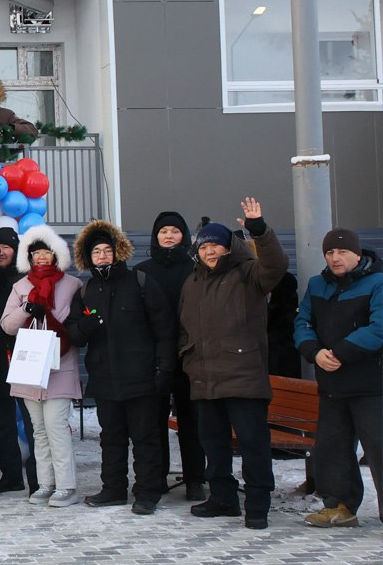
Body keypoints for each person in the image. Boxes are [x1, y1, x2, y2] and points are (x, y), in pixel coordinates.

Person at [178, 198, 288, 531]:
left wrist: (259, 230)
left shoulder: (248, 272)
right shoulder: (192, 283)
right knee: (213, 443)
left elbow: (276, 265)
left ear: (229, 247)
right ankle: (223, 498)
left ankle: (257, 505)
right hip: (204, 378)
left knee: (253, 444)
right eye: (204, 247)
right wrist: (187, 357)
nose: (210, 251)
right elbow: (184, 327)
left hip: (243, 377)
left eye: (216, 245)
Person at [66, 220, 175, 515]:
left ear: (117, 252)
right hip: (104, 379)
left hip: (141, 378)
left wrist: (164, 370)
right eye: (96, 252)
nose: (102, 256)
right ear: (88, 257)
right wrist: (84, 326)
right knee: (111, 439)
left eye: (106, 250)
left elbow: (164, 330)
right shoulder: (85, 291)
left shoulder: (140, 283)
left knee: (145, 438)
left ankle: (147, 493)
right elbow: (73, 334)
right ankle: (113, 489)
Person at [295, 228, 383, 528]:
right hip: (332, 386)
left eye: (342, 252)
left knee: (379, 448)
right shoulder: (317, 285)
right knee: (332, 449)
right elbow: (302, 323)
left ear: (357, 254)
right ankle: (339, 506)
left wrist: (339, 352)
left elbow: (379, 327)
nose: (335, 257)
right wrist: (315, 351)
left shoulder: (378, 281)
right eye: (330, 252)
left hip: (372, 385)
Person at [1, 224, 84, 508]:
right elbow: (7, 325)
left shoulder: (72, 285)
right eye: (36, 253)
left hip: (60, 366)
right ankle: (46, 483)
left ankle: (67, 486)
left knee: (56, 428)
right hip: (29, 369)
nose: (41, 257)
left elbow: (77, 323)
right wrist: (27, 308)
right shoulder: (21, 287)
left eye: (46, 252)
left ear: (56, 254)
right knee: (38, 430)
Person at [133, 211, 206, 501]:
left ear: (184, 235)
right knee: (154, 420)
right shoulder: (142, 271)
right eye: (163, 231)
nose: (169, 236)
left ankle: (195, 478)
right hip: (154, 357)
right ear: (155, 236)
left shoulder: (196, 268)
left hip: (190, 355)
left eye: (175, 231)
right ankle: (157, 476)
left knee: (192, 421)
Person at [0, 227, 37, 495]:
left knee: (31, 419)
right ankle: (11, 475)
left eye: (6, 246)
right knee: (3, 419)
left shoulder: (26, 280)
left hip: (25, 354)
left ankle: (37, 480)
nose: (1, 252)